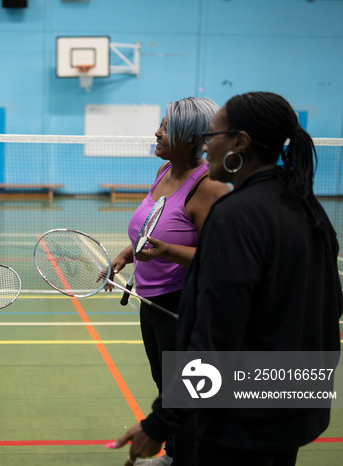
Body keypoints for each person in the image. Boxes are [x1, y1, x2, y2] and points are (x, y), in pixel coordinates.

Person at [108, 92, 343, 466]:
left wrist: (161, 421)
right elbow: (331, 310)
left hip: (246, 416)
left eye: (211, 136)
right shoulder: (306, 206)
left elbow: (216, 333)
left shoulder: (236, 216)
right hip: (298, 401)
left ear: (239, 143)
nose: (206, 146)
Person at [106, 97, 229, 465]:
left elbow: (219, 259)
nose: (157, 133)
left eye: (165, 128)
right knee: (167, 388)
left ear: (191, 139)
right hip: (153, 303)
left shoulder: (208, 186)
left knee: (186, 396)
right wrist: (129, 253)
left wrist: (165, 251)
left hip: (183, 308)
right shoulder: (165, 172)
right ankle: (174, 455)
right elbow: (152, 228)